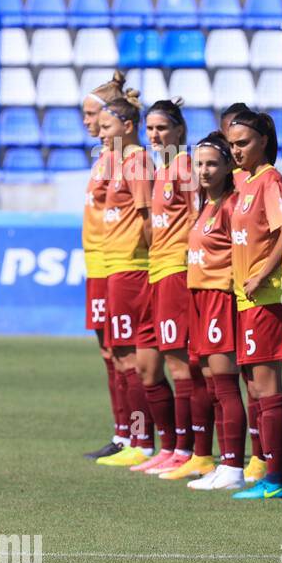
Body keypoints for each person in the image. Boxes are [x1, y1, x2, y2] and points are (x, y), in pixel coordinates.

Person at [136, 99, 213, 479]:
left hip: (178, 272)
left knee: (184, 365)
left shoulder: (185, 168)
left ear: (180, 131)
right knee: (164, 362)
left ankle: (190, 450)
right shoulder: (163, 170)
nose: (154, 135)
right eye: (150, 129)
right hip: (158, 271)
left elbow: (201, 217)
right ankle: (173, 446)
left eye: (162, 128)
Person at [226, 108, 282, 499]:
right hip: (244, 298)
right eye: (232, 144)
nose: (236, 150)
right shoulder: (246, 181)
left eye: (243, 143)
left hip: (265, 298)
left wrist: (265, 273)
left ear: (264, 141)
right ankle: (265, 468)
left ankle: (276, 478)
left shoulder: (271, 181)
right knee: (253, 385)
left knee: (267, 387)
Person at [94, 86, 159, 469]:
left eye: (106, 126)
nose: (101, 134)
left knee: (130, 355)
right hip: (118, 265)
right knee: (120, 354)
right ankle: (135, 438)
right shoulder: (122, 161)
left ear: (127, 126)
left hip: (134, 267)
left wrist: (151, 261)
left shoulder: (137, 162)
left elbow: (149, 219)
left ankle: (143, 440)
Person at [185, 133, 248, 491]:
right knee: (211, 383)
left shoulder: (231, 205)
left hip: (219, 298)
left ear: (228, 166)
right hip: (199, 298)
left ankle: (234, 466)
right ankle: (224, 463)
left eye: (212, 163)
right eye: (199, 163)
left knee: (225, 384)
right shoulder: (205, 204)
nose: (204, 170)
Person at [81, 73, 130, 460]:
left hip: (116, 262)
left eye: (90, 113)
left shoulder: (131, 158)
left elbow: (172, 168)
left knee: (122, 352)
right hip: (98, 261)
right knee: (108, 352)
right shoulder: (104, 156)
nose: (86, 121)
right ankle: (123, 433)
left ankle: (135, 437)